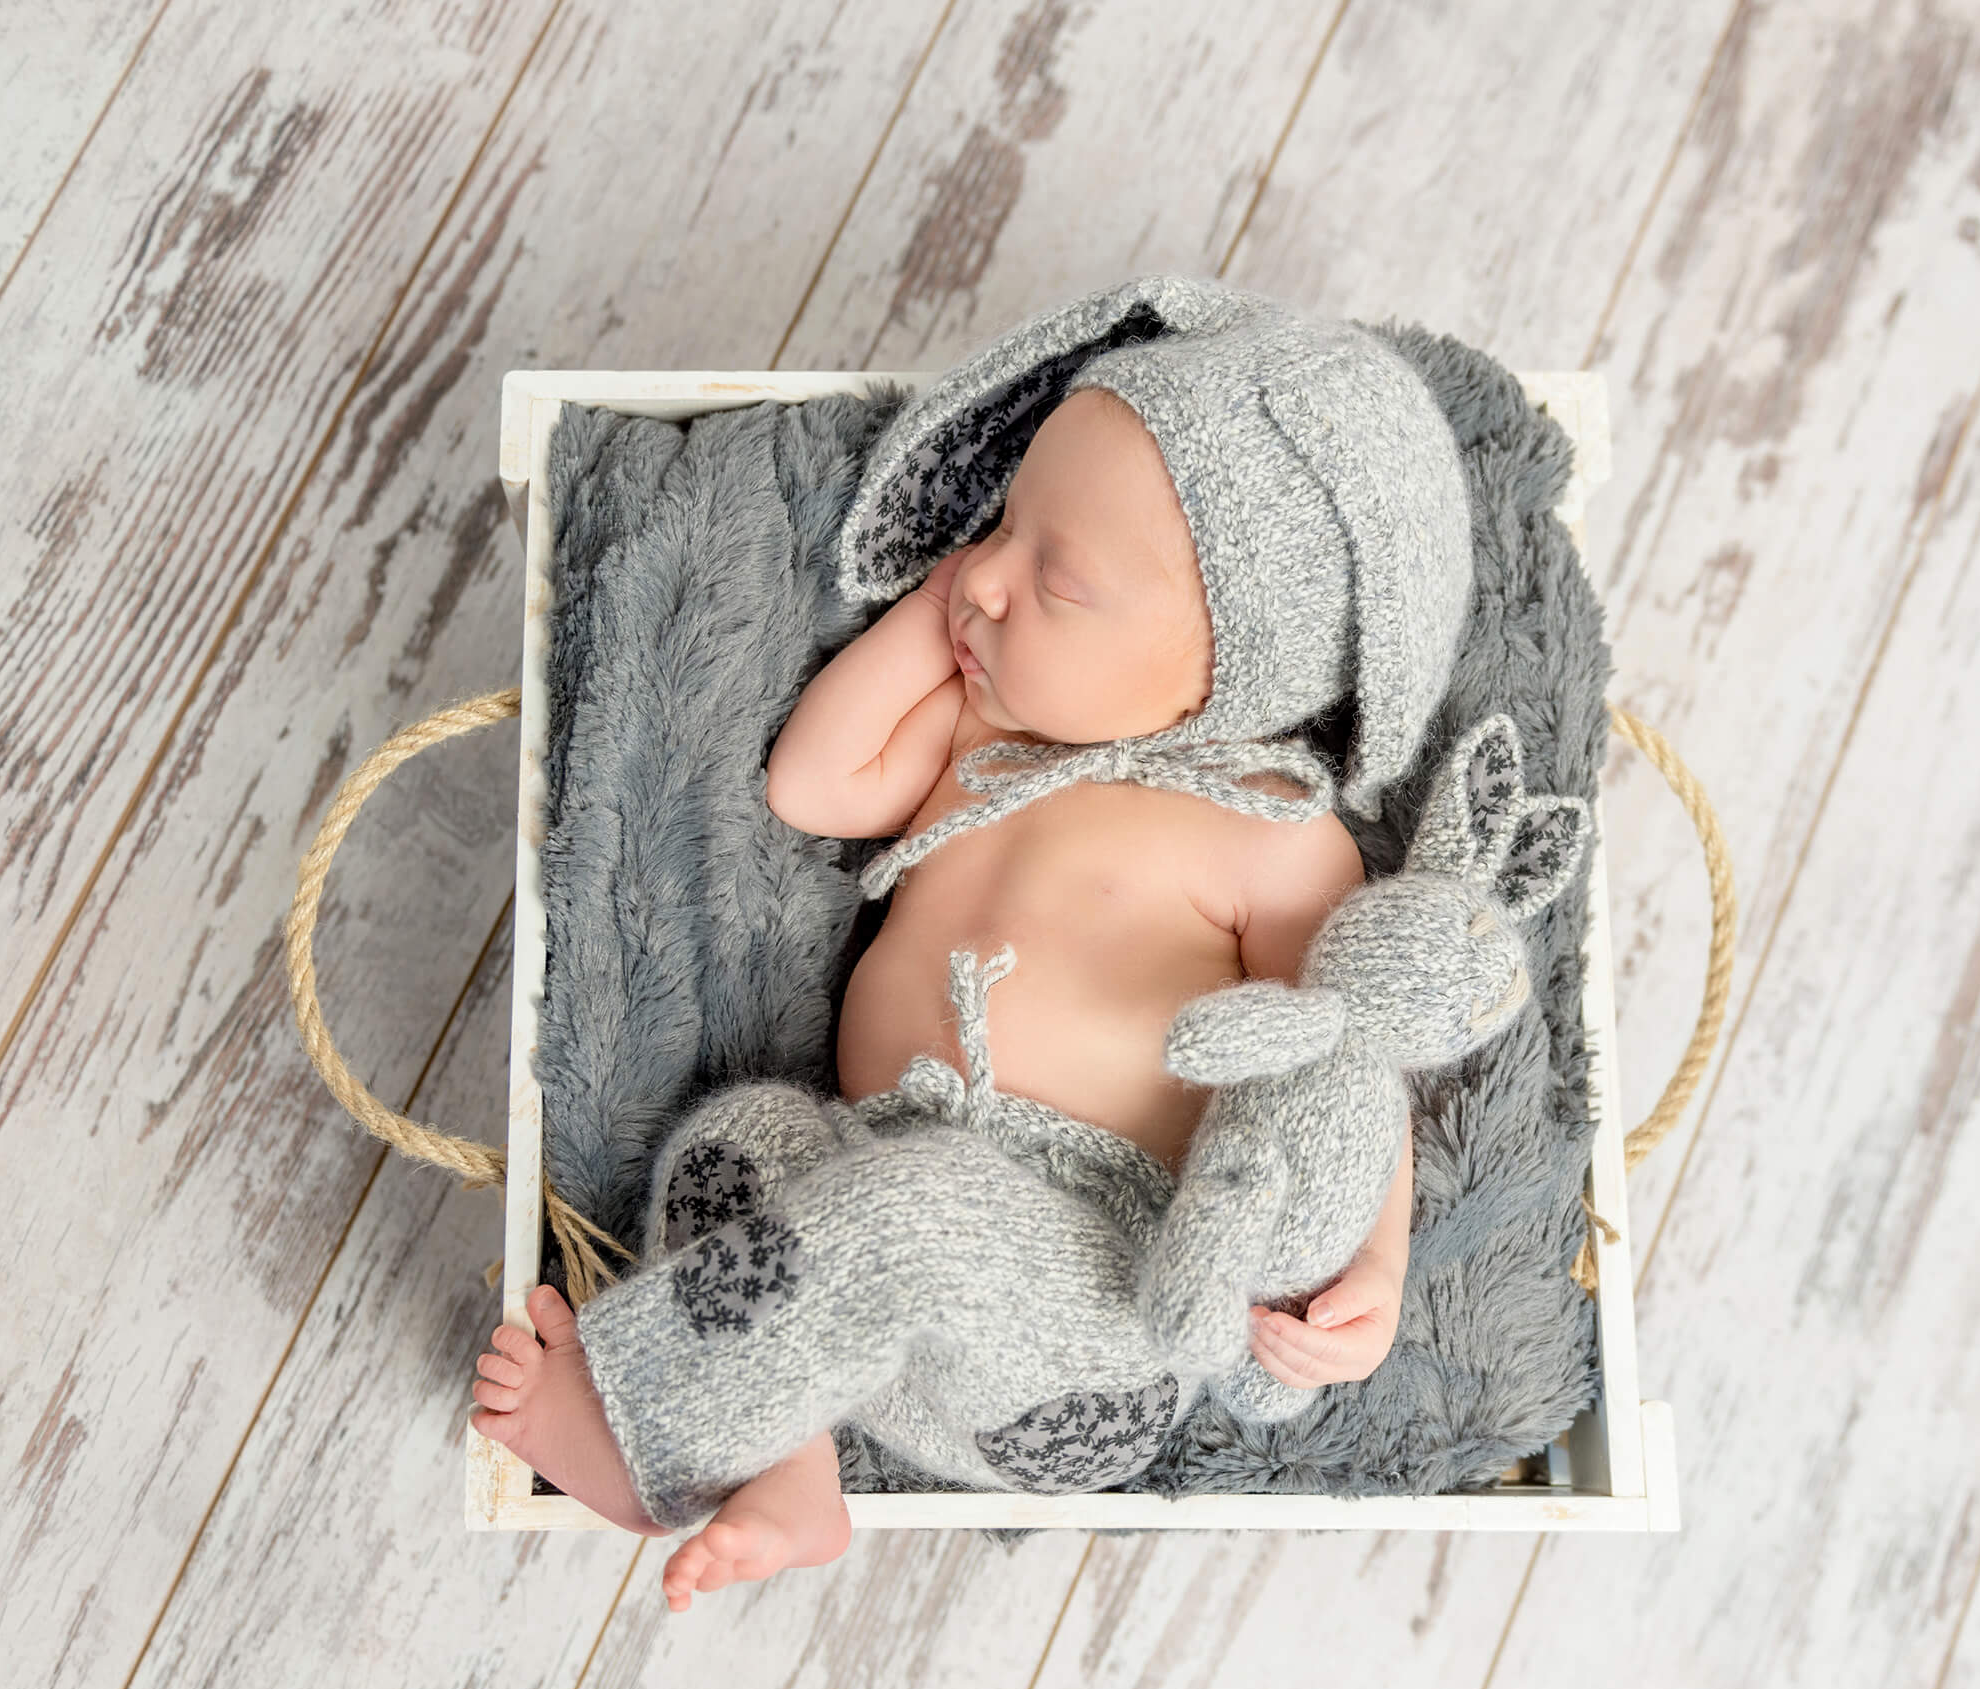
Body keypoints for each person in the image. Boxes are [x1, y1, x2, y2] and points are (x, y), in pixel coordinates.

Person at [467, 275, 1476, 1609]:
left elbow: (1349, 1057)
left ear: (1230, 668)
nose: (988, 577)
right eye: (1000, 527)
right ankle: (788, 1459)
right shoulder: (980, 744)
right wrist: (946, 610)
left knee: (913, 1216)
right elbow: (812, 785)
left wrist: (1378, 1264)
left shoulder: (1271, 833)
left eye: (1053, 577)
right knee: (739, 1147)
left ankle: (644, 1431)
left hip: (1096, 1292)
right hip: (878, 1218)